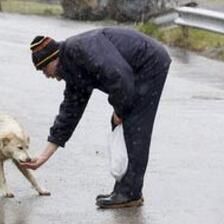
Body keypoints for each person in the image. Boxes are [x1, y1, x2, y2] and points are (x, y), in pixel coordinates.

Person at [20, 27, 171, 208]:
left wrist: (120, 111)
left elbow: (120, 77)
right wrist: (43, 157)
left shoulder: (82, 49)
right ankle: (125, 189)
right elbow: (69, 112)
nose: (47, 75)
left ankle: (130, 194)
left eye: (44, 70)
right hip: (136, 69)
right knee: (123, 123)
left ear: (52, 59)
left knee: (135, 125)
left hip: (149, 63)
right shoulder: (72, 67)